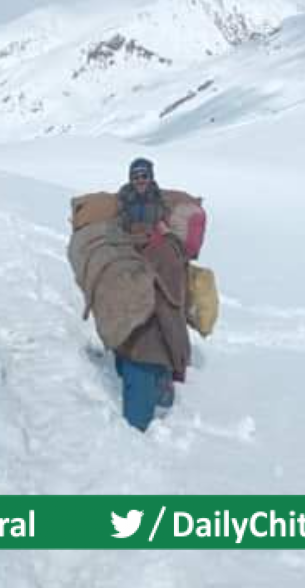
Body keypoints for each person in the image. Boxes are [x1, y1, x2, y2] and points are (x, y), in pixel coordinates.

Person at [113, 158, 191, 431]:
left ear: (151, 177)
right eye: (136, 176)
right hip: (132, 249)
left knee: (168, 293)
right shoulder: (124, 199)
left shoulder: (159, 201)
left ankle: (167, 365)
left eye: (144, 176)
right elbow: (117, 226)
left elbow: (167, 226)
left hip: (155, 248)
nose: (140, 181)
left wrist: (162, 236)